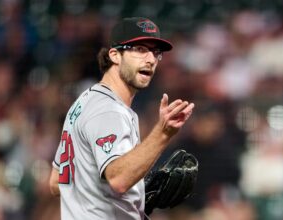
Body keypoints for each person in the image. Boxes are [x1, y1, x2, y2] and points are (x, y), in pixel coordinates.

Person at [49, 17, 195, 220]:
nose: (151, 59)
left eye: (155, 52)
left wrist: (135, 194)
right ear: (115, 55)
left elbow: (57, 182)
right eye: (141, 49)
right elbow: (118, 179)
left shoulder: (84, 101)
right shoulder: (109, 111)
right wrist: (163, 133)